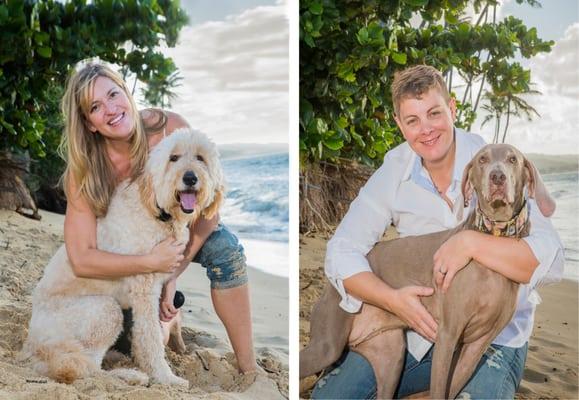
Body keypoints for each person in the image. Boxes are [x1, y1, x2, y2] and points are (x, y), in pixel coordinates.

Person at [312, 65, 564, 399]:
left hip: (496, 337)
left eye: (434, 113)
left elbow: (553, 259)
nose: (426, 129)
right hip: (419, 336)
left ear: (452, 109)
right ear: (400, 125)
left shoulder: (496, 164)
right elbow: (341, 251)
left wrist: (471, 242)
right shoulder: (394, 173)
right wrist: (394, 301)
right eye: (413, 120)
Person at [59, 59, 256, 373]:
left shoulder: (169, 128)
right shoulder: (85, 172)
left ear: (127, 92)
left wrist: (171, 274)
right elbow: (81, 258)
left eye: (113, 95)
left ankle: (249, 368)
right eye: (95, 107)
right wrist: (151, 265)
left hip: (176, 237)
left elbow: (208, 213)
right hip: (124, 260)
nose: (110, 109)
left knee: (227, 248)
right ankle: (166, 320)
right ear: (88, 123)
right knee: (144, 339)